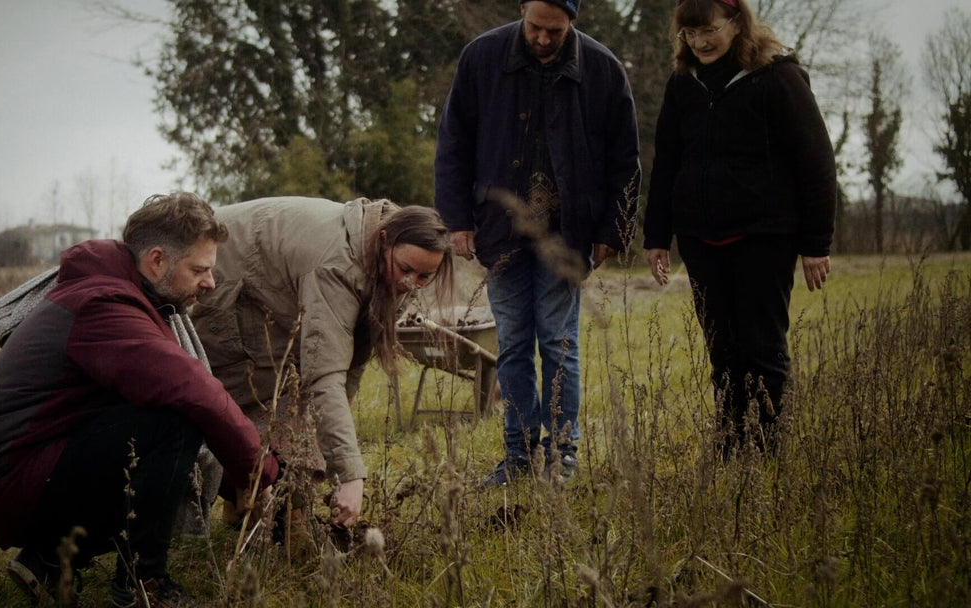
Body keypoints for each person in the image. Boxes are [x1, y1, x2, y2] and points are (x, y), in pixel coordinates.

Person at [0, 193, 279, 608]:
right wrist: (259, 473)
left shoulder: (118, 291)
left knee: (159, 428)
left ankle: (51, 558)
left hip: (30, 467)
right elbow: (194, 389)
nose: (210, 282)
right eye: (199, 269)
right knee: (175, 421)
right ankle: (143, 584)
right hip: (11, 482)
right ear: (157, 261)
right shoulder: (106, 304)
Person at [434, 0, 641, 487]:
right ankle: (519, 454)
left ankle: (563, 452)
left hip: (568, 235)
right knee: (512, 345)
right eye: (535, 27)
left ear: (573, 20)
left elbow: (625, 159)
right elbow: (453, 144)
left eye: (555, 30)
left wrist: (614, 229)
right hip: (498, 228)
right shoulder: (481, 57)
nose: (543, 38)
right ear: (522, 9)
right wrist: (457, 219)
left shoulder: (604, 69)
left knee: (559, 341)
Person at [643, 0, 837, 453]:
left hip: (764, 235)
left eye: (708, 29)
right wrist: (657, 237)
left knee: (761, 347)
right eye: (689, 33)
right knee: (722, 349)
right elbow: (666, 161)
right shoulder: (682, 83)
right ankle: (730, 443)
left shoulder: (778, 77)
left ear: (736, 23)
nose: (700, 41)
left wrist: (816, 243)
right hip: (699, 237)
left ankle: (765, 449)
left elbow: (816, 160)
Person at [191, 196, 453, 531]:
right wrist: (350, 474)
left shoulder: (385, 259)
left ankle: (256, 507)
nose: (410, 283)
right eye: (405, 270)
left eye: (424, 277)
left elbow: (353, 355)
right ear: (385, 239)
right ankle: (265, 511)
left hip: (269, 290)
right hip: (222, 282)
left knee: (307, 402)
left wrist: (336, 424)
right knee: (270, 396)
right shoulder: (337, 264)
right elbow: (326, 373)